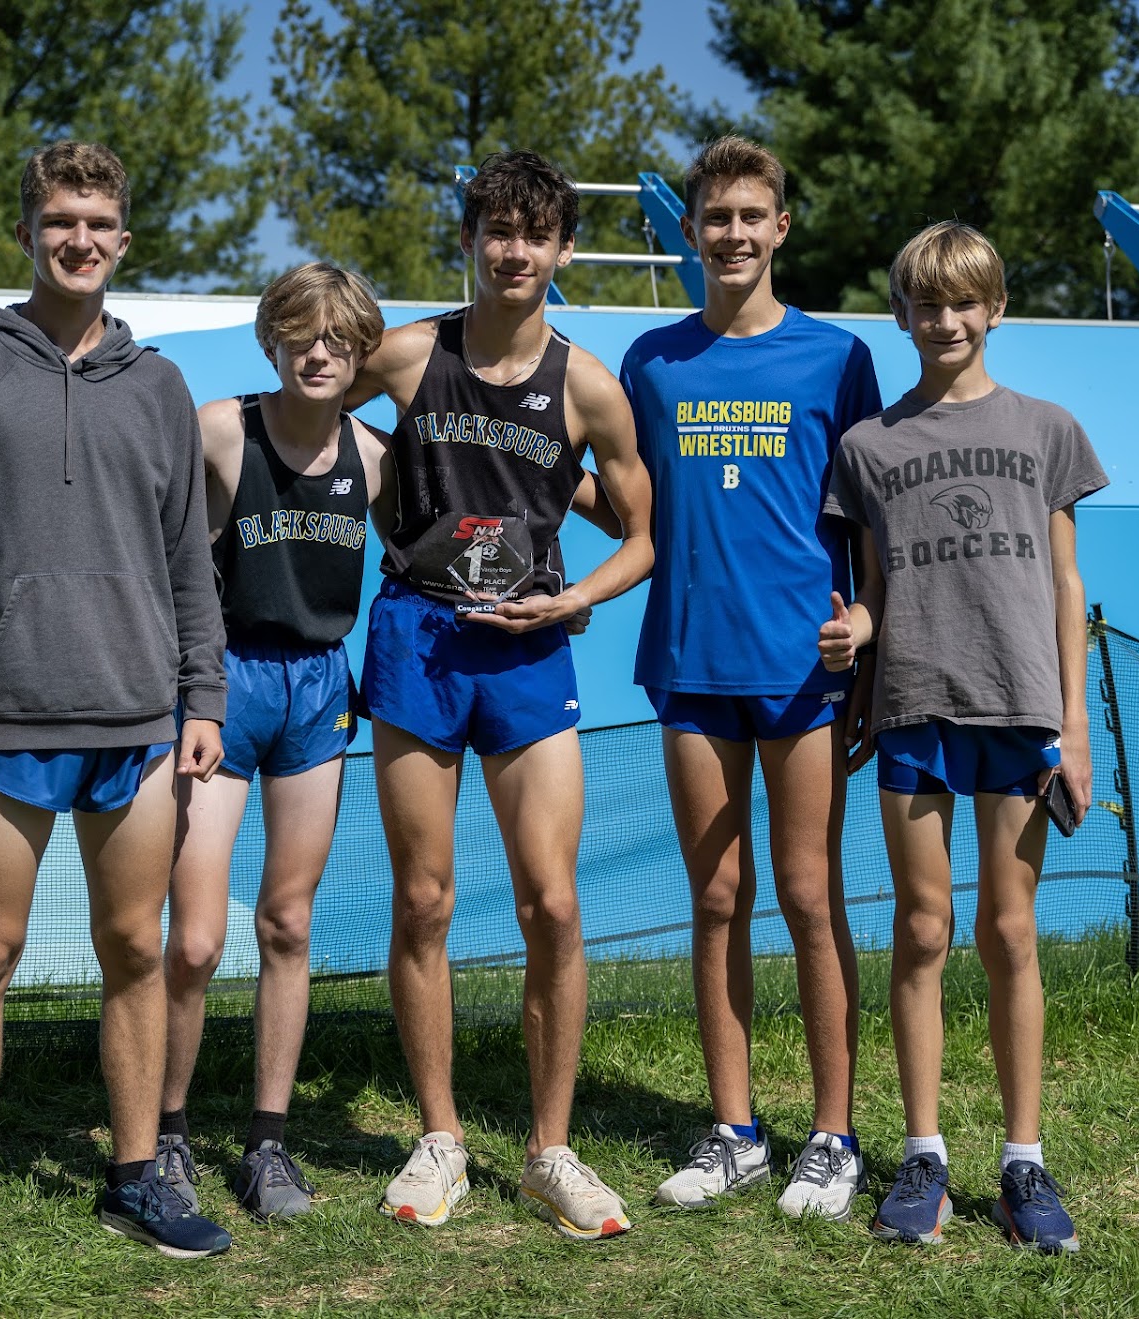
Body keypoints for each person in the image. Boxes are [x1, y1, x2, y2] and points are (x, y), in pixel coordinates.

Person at [0, 141, 232, 1275]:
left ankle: (136, 1178)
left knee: (134, 946)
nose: (78, 239)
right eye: (58, 221)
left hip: (141, 724)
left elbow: (189, 561)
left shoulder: (160, 387)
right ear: (27, 234)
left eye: (96, 222)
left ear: (123, 240)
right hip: (4, 724)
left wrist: (201, 695)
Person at [344, 149, 653, 1241]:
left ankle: (550, 1150)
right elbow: (306, 414)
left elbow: (643, 534)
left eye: (536, 234)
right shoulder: (406, 353)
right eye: (498, 231)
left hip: (529, 647)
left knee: (552, 904)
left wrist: (576, 599)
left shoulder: (587, 384)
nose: (515, 250)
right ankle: (440, 1138)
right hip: (417, 637)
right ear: (470, 240)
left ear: (564, 249)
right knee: (424, 899)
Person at [818, 220, 1106, 1253]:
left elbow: (1066, 583)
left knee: (1010, 931)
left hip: (1021, 709)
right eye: (926, 303)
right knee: (924, 926)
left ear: (995, 308)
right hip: (913, 708)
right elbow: (875, 588)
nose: (945, 319)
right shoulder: (868, 447)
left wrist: (1073, 725)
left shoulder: (1048, 429)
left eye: (964, 301)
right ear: (901, 314)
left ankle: (1024, 1161)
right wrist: (857, 639)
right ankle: (923, 1155)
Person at [619, 135, 881, 1219]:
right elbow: (625, 496)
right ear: (691, 232)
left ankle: (834, 1134)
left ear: (781, 226)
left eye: (750, 215)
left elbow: (872, 520)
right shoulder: (651, 362)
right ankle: (735, 1131)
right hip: (691, 662)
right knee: (718, 896)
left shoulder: (837, 357)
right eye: (715, 217)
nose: (732, 233)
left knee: (810, 896)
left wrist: (867, 628)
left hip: (801, 670)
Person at [154, 263, 391, 1222]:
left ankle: (266, 1143)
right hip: (221, 687)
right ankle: (164, 1134)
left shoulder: (375, 456)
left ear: (361, 351)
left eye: (338, 338)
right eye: (301, 334)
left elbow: (440, 552)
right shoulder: (222, 429)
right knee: (196, 939)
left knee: (287, 923)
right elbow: (156, 548)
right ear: (272, 341)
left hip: (318, 691)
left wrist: (549, 594)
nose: (318, 352)